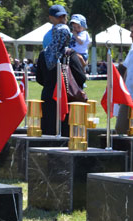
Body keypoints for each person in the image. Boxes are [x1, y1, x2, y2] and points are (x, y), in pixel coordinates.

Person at [36, 4, 86, 136]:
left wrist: (50, 84)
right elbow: (81, 78)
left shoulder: (43, 54)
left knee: (48, 132)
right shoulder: (70, 54)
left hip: (47, 97)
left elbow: (39, 78)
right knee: (64, 134)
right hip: (65, 99)